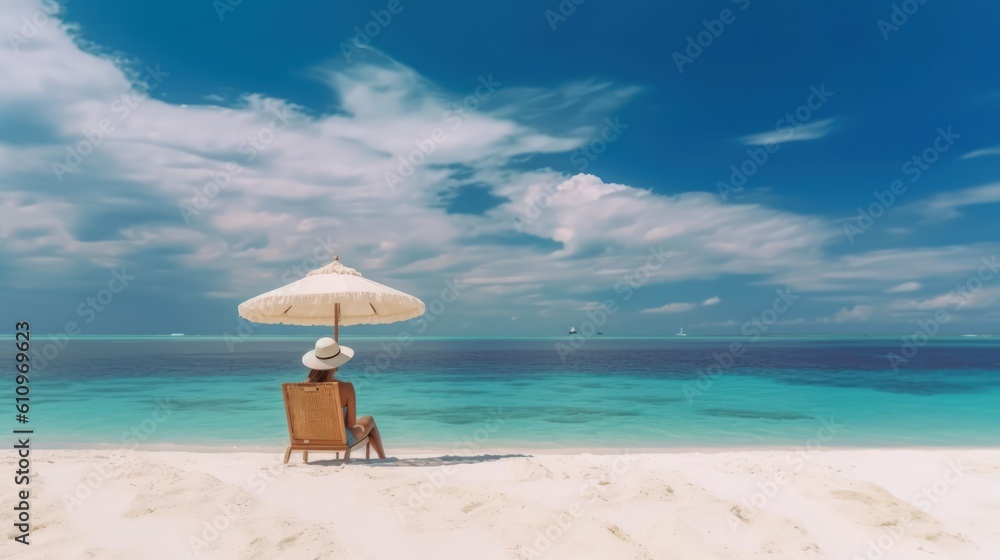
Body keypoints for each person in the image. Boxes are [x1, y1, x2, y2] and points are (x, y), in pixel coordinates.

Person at [301, 337, 386, 459]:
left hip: (310, 437)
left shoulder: (301, 388)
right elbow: (351, 424)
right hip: (339, 438)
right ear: (337, 365)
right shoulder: (346, 387)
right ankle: (382, 458)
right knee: (369, 420)